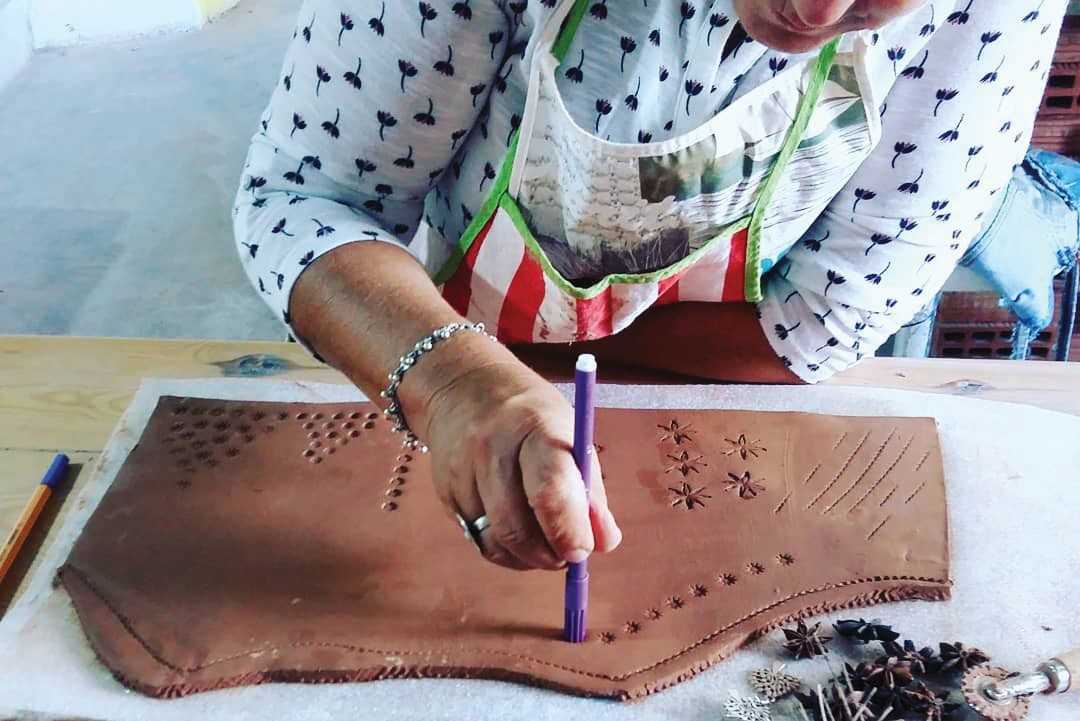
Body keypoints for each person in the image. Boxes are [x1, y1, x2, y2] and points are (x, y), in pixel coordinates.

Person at [233, 0, 1065, 571]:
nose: (814, 15)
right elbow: (303, 198)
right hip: (440, 358)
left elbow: (825, 321)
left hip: (737, 397)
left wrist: (532, 375)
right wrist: (451, 380)